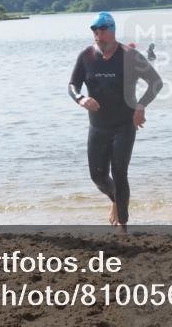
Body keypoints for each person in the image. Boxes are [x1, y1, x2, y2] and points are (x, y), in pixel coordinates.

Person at [69, 12, 163, 233]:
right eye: (94, 31)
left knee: (119, 172)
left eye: (101, 31)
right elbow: (73, 85)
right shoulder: (86, 56)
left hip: (124, 125)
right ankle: (115, 201)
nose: (97, 35)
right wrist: (81, 98)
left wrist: (141, 106)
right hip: (98, 126)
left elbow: (156, 83)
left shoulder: (130, 56)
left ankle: (122, 225)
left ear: (112, 31)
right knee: (98, 176)